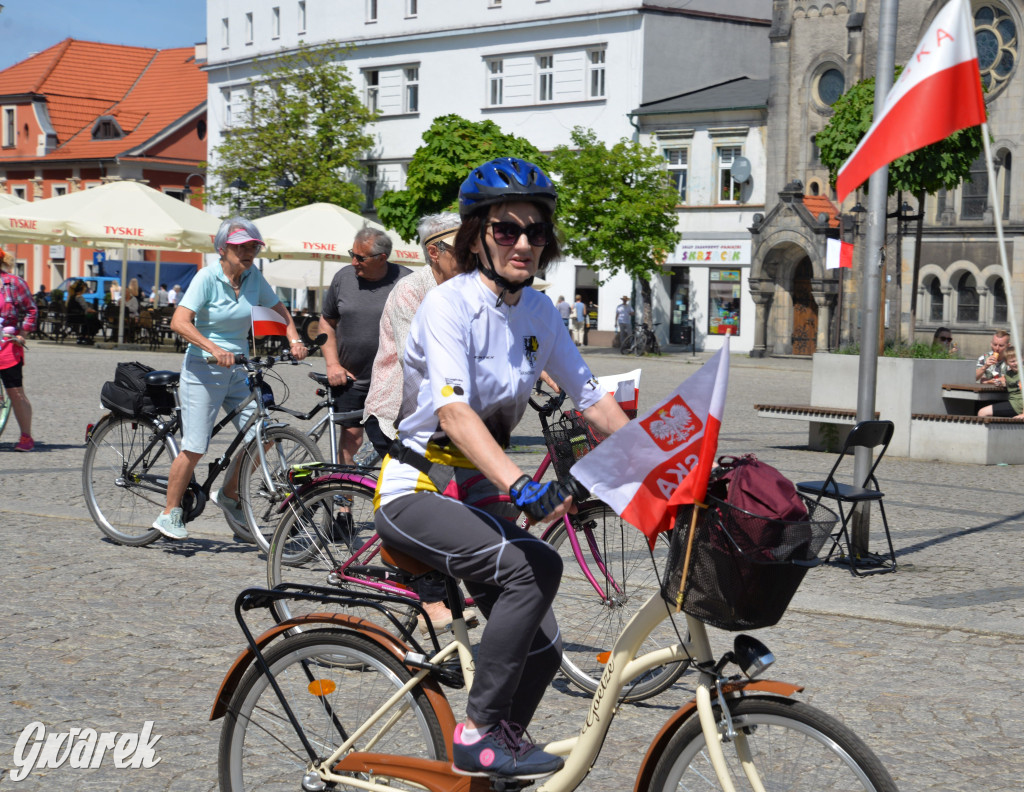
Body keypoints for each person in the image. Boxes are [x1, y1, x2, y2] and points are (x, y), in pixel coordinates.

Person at [374, 157, 629, 779]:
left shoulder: (538, 311)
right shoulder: (448, 305)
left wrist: (671, 465)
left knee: (543, 645)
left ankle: (495, 762)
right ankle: (479, 733)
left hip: (475, 489)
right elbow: (453, 414)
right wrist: (518, 483)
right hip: (418, 486)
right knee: (531, 566)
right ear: (477, 236)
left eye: (535, 231)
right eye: (506, 229)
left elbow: (592, 400)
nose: (522, 242)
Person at [153, 217, 308, 540]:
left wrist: (294, 339)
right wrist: (213, 348)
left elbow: (279, 310)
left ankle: (229, 494)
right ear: (223, 249)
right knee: (196, 445)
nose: (248, 253)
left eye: (253, 247)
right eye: (241, 247)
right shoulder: (206, 278)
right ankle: (169, 512)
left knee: (262, 436)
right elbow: (179, 322)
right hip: (204, 369)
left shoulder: (253, 277)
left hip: (239, 368)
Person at [362, 212, 479, 634]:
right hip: (399, 413)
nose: (474, 257)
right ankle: (429, 596)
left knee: (464, 502)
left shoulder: (470, 288)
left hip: (449, 414)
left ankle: (440, 594)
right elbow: (424, 357)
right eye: (463, 250)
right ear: (434, 252)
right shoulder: (411, 291)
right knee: (433, 507)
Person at [320, 226, 411, 464]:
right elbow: (327, 322)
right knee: (351, 440)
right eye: (352, 254)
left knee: (395, 441)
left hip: (393, 381)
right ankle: (344, 489)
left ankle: (394, 486)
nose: (353, 262)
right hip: (352, 380)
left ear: (382, 258)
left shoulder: (407, 281)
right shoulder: (343, 278)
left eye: (360, 258)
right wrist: (332, 364)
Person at [0, 251, 38, 451]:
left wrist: (23, 333)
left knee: (15, 392)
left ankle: (26, 436)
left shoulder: (14, 283)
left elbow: (31, 310)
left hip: (6, 344)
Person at [979, 345, 1023, 418]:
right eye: (1012, 361)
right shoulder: (1009, 374)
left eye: (1018, 360)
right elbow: (1005, 381)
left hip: (1018, 405)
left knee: (982, 412)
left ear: (1022, 358)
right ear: (1006, 362)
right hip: (1013, 403)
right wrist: (992, 382)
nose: (1016, 363)